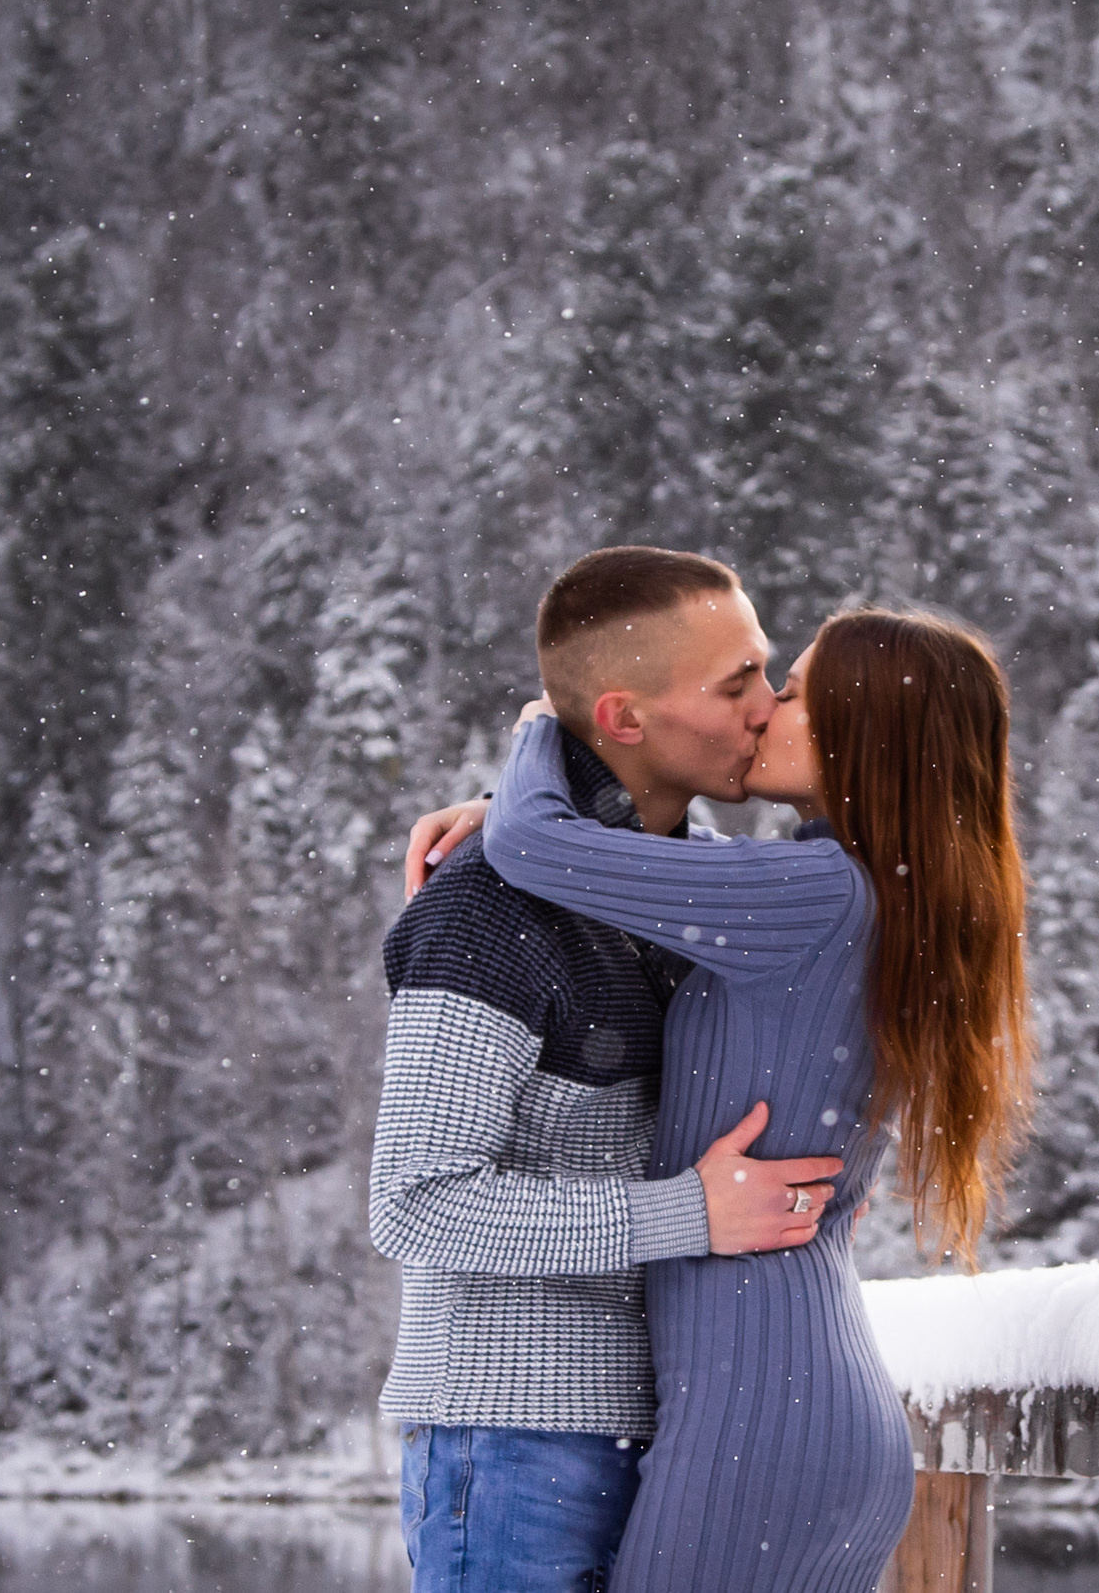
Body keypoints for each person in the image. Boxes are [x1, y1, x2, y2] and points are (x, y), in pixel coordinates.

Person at [413, 603, 1033, 1593]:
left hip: (758, 1420)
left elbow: (536, 847)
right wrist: (525, 815)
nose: (764, 710)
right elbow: (608, 860)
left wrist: (543, 732)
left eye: (794, 692)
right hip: (806, 1404)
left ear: (862, 735)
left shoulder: (815, 893)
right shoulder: (849, 892)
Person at [368, 547, 844, 1593]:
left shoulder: (701, 890)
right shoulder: (485, 909)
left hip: (674, 1438)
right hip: (513, 1439)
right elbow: (416, 1202)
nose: (768, 706)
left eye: (765, 671)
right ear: (625, 719)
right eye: (736, 683)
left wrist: (520, 785)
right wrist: (689, 1214)